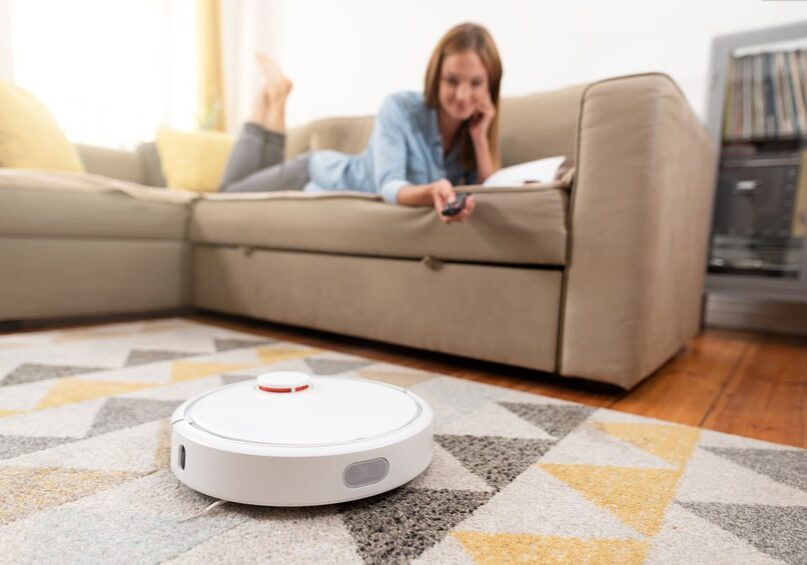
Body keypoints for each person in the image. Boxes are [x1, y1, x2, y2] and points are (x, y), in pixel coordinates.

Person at [219, 22, 502, 224]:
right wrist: (430, 192)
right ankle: (266, 97)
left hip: (317, 173)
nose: (463, 95)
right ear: (435, 76)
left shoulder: (473, 132)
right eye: (452, 80)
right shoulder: (400, 108)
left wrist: (480, 139)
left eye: (476, 83)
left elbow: (492, 193)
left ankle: (277, 95)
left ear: (489, 84)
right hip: (314, 174)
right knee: (226, 195)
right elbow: (389, 186)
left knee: (247, 185)